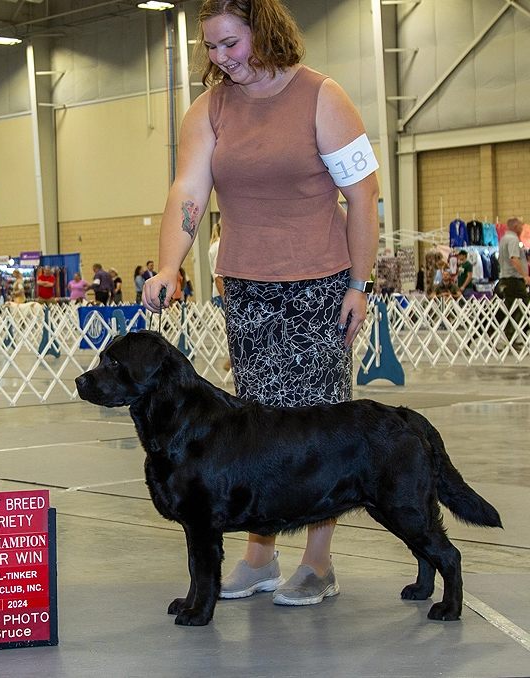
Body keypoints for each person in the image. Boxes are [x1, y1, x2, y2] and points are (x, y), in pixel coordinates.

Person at [142, 0, 379, 607]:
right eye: (211, 48)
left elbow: (363, 194)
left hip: (320, 287)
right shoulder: (209, 111)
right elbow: (187, 192)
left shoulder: (323, 97)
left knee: (317, 426)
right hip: (246, 288)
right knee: (254, 428)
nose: (221, 59)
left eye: (231, 44)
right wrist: (169, 265)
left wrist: (359, 282)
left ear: (263, 30)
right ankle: (260, 556)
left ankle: (319, 563)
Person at [498, 217, 530, 342]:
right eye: (521, 226)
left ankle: (508, 334)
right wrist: (525, 275)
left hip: (506, 279)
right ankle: (510, 335)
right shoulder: (513, 240)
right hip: (514, 280)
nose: (523, 228)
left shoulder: (504, 239)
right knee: (524, 306)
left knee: (508, 308)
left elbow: (501, 259)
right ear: (516, 227)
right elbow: (514, 258)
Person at [208, 221, 224, 306]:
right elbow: (218, 276)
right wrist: (225, 299)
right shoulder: (219, 247)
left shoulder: (215, 246)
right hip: (221, 293)